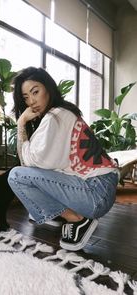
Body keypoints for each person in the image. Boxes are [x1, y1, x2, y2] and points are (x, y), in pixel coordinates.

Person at [7, 67, 119, 251]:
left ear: (48, 88)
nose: (31, 101)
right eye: (26, 97)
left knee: (17, 176)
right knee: (31, 187)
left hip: (95, 192)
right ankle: (58, 213)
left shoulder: (55, 116)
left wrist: (21, 124)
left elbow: (30, 163)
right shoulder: (61, 113)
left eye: (35, 91)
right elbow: (39, 164)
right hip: (99, 189)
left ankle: (77, 219)